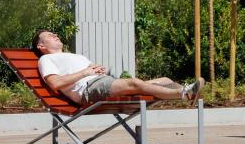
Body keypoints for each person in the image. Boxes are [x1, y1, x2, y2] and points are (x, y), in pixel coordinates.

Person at [31, 30, 204, 106]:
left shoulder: (74, 55)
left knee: (165, 80)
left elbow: (91, 69)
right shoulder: (46, 59)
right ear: (40, 46)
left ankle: (186, 92)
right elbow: (55, 84)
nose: (54, 35)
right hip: (88, 90)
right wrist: (86, 72)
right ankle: (184, 93)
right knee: (135, 82)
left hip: (102, 82)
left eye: (54, 34)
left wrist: (96, 68)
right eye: (49, 35)